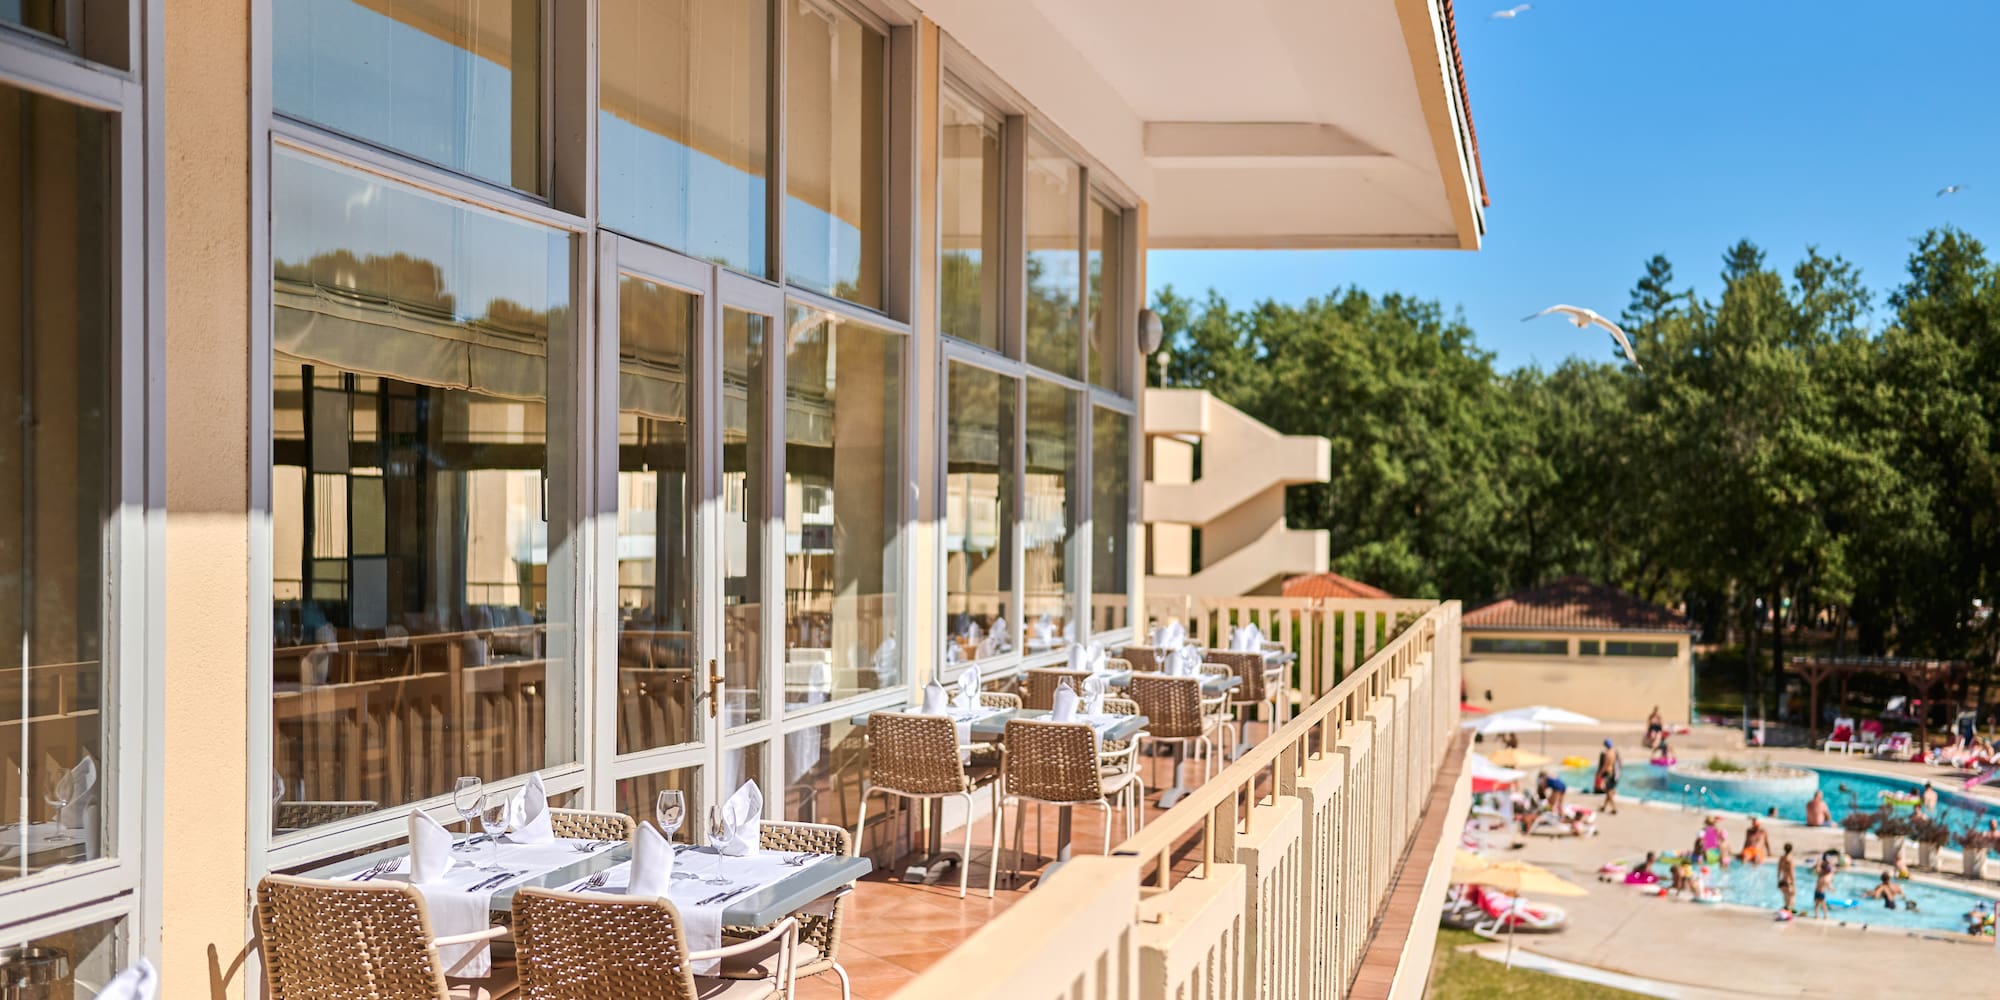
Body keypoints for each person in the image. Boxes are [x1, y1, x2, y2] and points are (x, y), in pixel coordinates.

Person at [1595, 738, 1622, 815]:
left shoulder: (1608, 753)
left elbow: (1605, 766)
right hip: (1615, 774)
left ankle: (1614, 808)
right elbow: (1620, 764)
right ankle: (1604, 806)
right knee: (1608, 791)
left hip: (1609, 774)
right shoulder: (1615, 752)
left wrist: (1600, 774)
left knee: (1609, 792)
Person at [1776, 843, 1797, 913]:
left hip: (1782, 881)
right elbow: (1791, 873)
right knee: (1791, 898)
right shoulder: (1790, 860)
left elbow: (1779, 870)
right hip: (1788, 881)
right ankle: (1788, 913)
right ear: (1791, 850)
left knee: (1785, 898)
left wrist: (1778, 880)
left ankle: (1785, 911)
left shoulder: (1781, 858)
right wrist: (1793, 884)